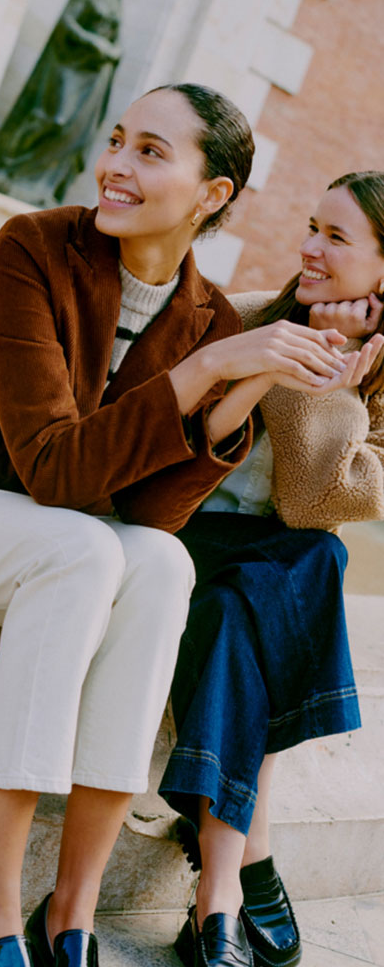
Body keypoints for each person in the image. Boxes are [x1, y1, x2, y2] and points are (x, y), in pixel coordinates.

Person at [0, 81, 362, 967]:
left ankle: (72, 914)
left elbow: (147, 514)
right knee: (80, 547)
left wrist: (248, 383)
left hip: (33, 551)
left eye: (150, 151)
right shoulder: (33, 248)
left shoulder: (207, 317)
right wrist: (210, 367)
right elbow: (58, 472)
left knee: (161, 568)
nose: (114, 165)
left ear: (213, 193)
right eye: (117, 140)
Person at [158, 170, 384, 967]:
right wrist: (304, 357)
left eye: (336, 237)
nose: (309, 247)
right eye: (312, 227)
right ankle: (248, 855)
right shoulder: (249, 316)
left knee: (302, 563)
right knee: (294, 573)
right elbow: (179, 447)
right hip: (195, 545)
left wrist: (334, 391)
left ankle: (214, 891)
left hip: (266, 572)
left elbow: (314, 501)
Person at [0, 0, 135, 206]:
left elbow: (117, 42)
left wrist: (113, 51)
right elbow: (67, 22)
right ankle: (7, 170)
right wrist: (93, 42)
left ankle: (42, 185)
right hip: (68, 67)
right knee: (54, 119)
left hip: (95, 77)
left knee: (77, 133)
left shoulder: (116, 2)